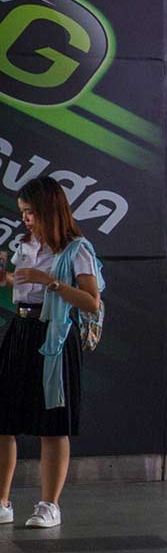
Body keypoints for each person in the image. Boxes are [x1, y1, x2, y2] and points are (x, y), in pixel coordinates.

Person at [0, 177, 102, 528]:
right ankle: (3, 501)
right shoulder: (25, 244)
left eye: (30, 212)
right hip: (20, 328)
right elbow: (22, 283)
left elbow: (91, 301)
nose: (25, 219)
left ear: (48, 209)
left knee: (53, 424)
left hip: (56, 335)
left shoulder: (76, 249)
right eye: (23, 212)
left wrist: (52, 283)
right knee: (4, 419)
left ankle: (49, 504)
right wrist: (8, 279)